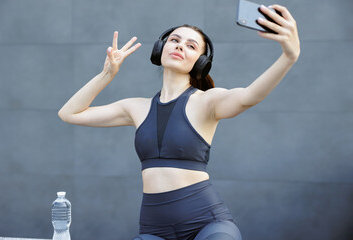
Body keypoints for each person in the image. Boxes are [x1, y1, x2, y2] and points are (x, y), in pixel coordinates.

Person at [58, 4, 300, 240]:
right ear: (160, 48)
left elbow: (249, 96)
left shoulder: (208, 102)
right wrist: (107, 74)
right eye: (174, 40)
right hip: (154, 229)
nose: (180, 46)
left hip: (207, 223)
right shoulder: (135, 107)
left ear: (200, 62)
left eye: (191, 45)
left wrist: (288, 57)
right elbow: (69, 113)